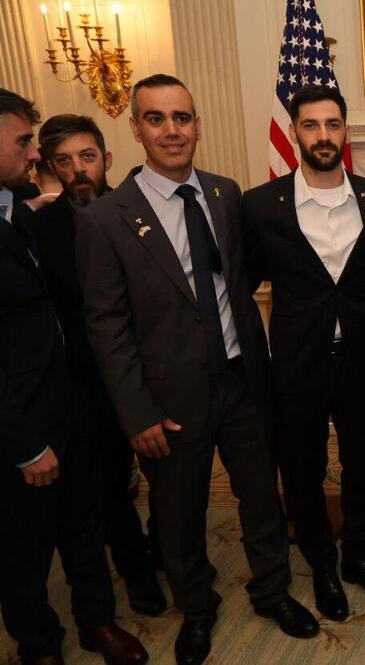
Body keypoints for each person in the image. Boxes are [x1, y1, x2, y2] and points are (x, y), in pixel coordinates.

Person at [75, 74, 318, 665]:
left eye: (182, 117)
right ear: (135, 129)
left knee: (261, 496)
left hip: (241, 379)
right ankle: (197, 609)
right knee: (179, 513)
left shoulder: (224, 193)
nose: (171, 130)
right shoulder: (107, 218)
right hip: (169, 398)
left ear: (197, 125)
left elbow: (239, 280)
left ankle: (272, 591)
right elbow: (106, 327)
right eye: (156, 119)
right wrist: (137, 413)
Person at [241, 85, 365, 621]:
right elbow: (241, 285)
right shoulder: (261, 207)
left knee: (360, 463)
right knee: (303, 470)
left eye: (333, 125)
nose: (323, 135)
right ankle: (321, 564)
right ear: (294, 134)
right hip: (295, 363)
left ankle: (357, 555)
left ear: (346, 132)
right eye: (311, 125)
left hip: (359, 359)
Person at [0, 89, 147, 665]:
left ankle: (97, 622)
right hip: (21, 424)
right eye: (22, 142)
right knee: (24, 545)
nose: (34, 154)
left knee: (85, 524)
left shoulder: (20, 214)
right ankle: (38, 645)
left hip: (72, 404)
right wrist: (25, 444)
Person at [26, 114, 166, 615]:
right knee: (109, 482)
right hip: (85, 380)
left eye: (87, 157)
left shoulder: (139, 212)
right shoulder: (37, 228)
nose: (78, 170)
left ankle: (165, 547)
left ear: (106, 160)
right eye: (64, 161)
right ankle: (136, 568)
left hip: (148, 368)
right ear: (49, 166)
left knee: (167, 473)